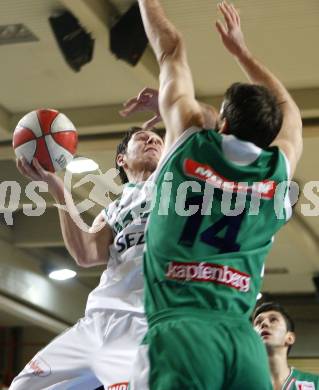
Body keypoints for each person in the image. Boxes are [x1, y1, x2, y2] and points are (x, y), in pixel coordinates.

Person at [127, 1, 303, 389]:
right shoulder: (278, 169)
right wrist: (244, 52)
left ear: (222, 121)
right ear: (271, 131)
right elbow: (290, 111)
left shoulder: (187, 137)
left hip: (178, 334)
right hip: (242, 344)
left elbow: (170, 47)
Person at [10, 126, 164, 390]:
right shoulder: (113, 209)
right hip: (95, 322)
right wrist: (57, 188)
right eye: (142, 138)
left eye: (159, 140)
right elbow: (86, 254)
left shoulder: (177, 189)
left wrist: (170, 107)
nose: (151, 139)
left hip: (141, 324)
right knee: (22, 387)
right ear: (121, 159)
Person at [253, 302, 319, 390]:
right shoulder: (240, 385)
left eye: (273, 320)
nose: (264, 324)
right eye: (258, 322)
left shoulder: (315, 383)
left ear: (290, 338)